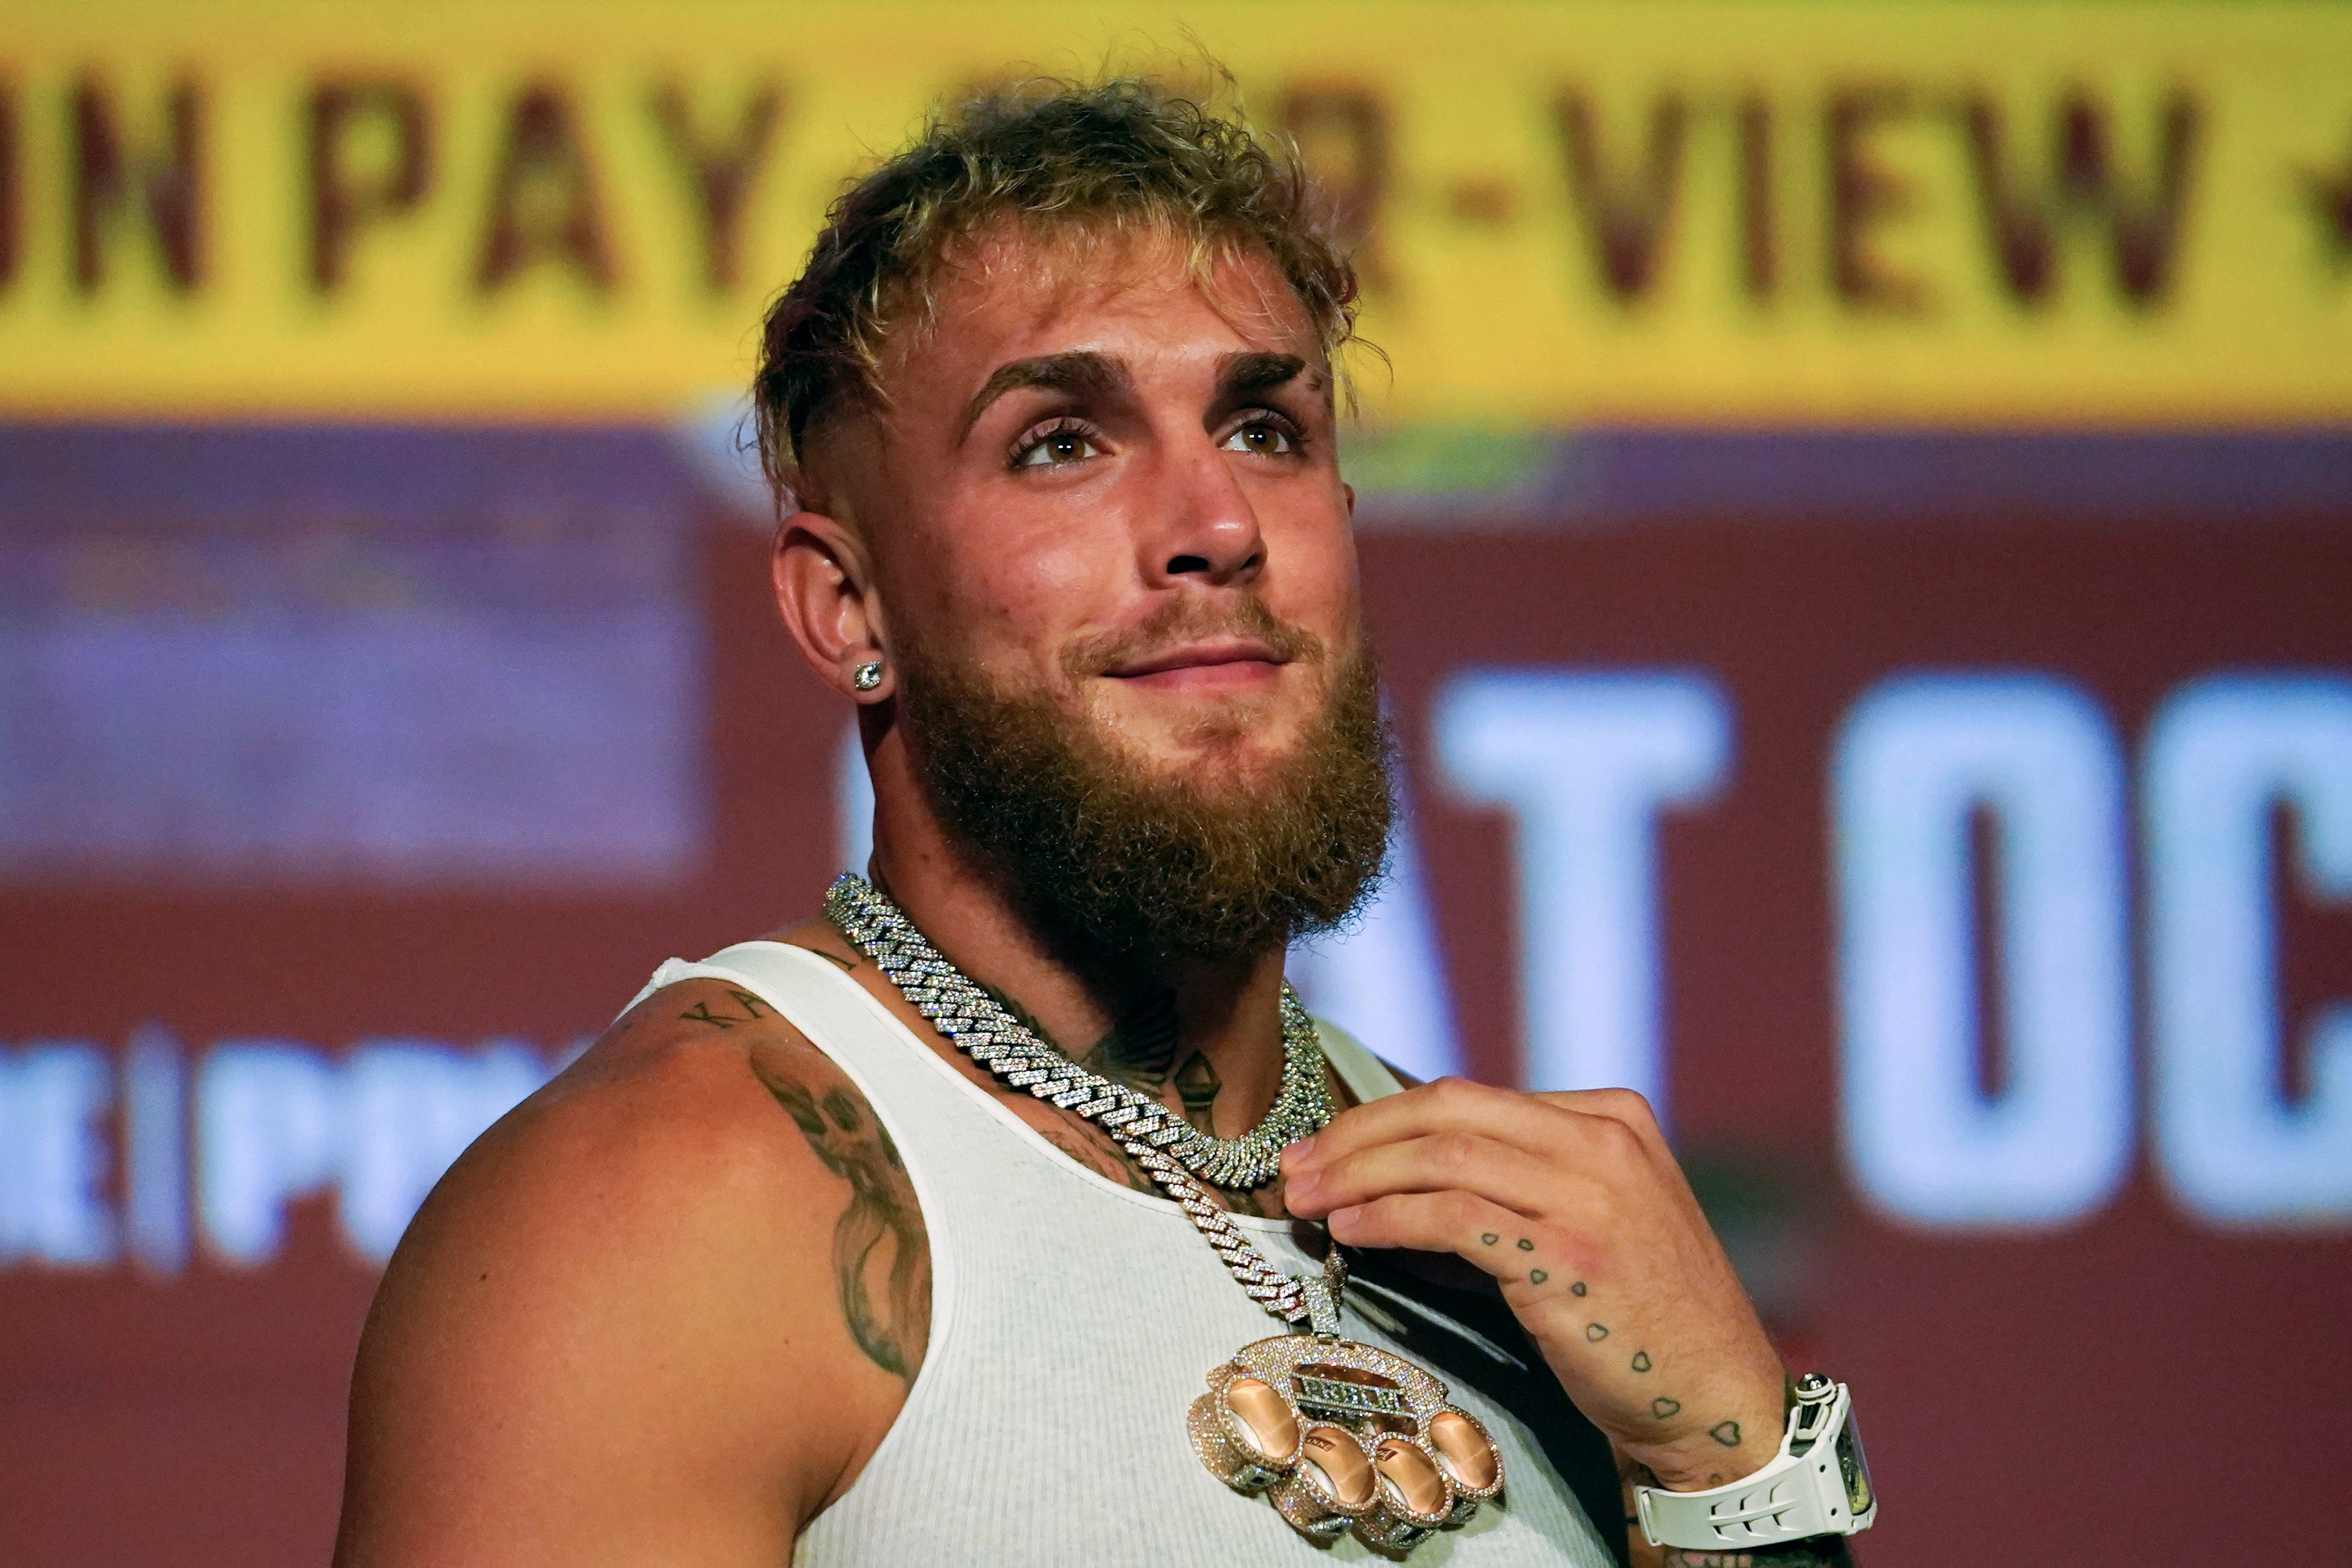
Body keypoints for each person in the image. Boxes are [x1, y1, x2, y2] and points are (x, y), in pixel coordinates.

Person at [335, 75, 1862, 1568]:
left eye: (1266, 427)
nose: (1216, 528)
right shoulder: (670, 1207)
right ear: (845, 600)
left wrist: (1730, 1460)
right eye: (1062, 441)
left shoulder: (1513, 1249)